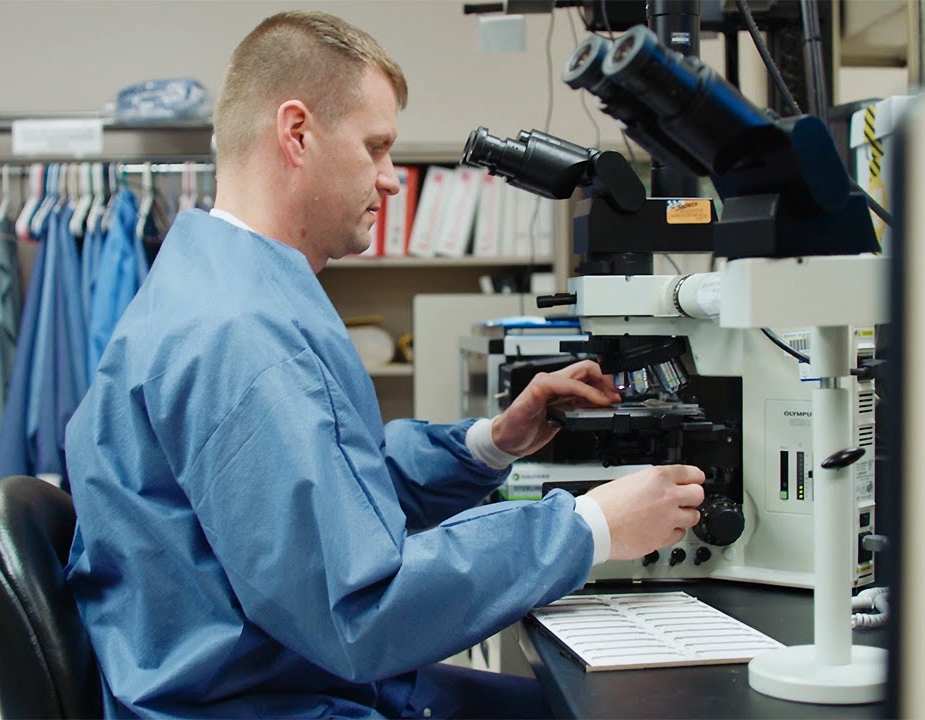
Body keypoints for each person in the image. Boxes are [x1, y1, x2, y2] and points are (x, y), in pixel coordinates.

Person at [64, 10, 705, 719]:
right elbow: (359, 611)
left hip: (281, 672)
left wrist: (492, 443)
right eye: (375, 148)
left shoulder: (219, 285)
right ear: (296, 133)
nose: (392, 180)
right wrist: (591, 527)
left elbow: (335, 492)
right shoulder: (240, 336)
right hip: (264, 702)